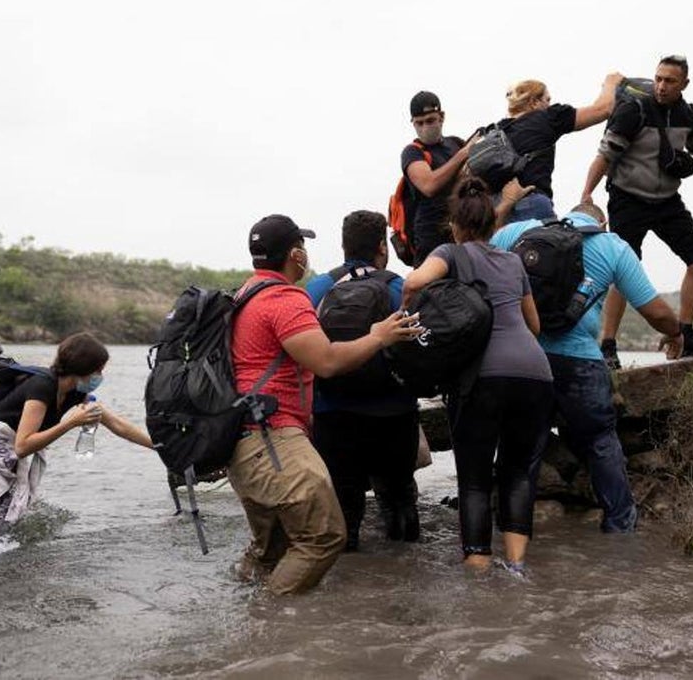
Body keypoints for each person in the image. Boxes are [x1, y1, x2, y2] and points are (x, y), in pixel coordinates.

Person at [229, 214, 422, 595]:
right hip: (275, 436)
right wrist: (380, 336)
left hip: (252, 435)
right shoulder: (285, 299)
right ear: (295, 254)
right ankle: (270, 619)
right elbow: (328, 361)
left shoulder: (245, 294)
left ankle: (253, 629)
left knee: (273, 550)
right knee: (325, 535)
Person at [491, 202, 684, 534]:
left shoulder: (518, 232)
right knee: (600, 442)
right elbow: (655, 312)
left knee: (522, 444)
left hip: (523, 358)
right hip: (580, 362)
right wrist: (676, 332)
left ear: (567, 214)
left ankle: (509, 531)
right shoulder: (613, 246)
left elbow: (480, 271)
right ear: (602, 222)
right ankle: (620, 528)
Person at [403, 178, 554, 576]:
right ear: (493, 226)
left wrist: (411, 317)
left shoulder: (450, 253)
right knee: (518, 473)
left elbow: (413, 281)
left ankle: (478, 572)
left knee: (474, 480)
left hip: (483, 378)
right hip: (535, 374)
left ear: (455, 225)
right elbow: (534, 325)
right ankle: (517, 568)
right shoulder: (513, 261)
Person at [580, 55, 693, 367]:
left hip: (666, 201)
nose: (662, 86)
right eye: (659, 79)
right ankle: (608, 345)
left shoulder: (688, 115)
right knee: (621, 269)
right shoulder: (633, 110)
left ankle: (687, 332)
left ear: (684, 84)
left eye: (670, 81)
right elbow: (603, 157)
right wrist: (587, 194)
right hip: (627, 199)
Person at [0, 332, 153, 527]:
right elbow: (23, 446)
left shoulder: (74, 393)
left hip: (6, 461)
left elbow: (117, 424)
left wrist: (159, 446)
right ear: (82, 368)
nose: (100, 375)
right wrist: (70, 423)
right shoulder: (42, 386)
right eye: (98, 370)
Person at [304, 210, 421, 551]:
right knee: (401, 496)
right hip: (394, 412)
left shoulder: (318, 288)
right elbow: (421, 344)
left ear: (343, 246)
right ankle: (409, 576)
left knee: (343, 501)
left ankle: (346, 589)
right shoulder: (400, 287)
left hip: (333, 412)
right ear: (381, 248)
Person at [489, 72, 624, 222]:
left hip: (493, 211)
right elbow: (603, 109)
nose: (549, 104)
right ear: (534, 102)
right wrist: (611, 83)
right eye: (547, 99)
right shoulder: (547, 118)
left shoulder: (493, 131)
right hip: (531, 205)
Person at [400, 91, 473, 265]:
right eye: (419, 123)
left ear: (441, 117)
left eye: (430, 120)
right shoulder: (413, 152)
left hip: (462, 230)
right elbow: (429, 185)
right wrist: (463, 155)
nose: (425, 127)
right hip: (430, 238)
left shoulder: (455, 143)